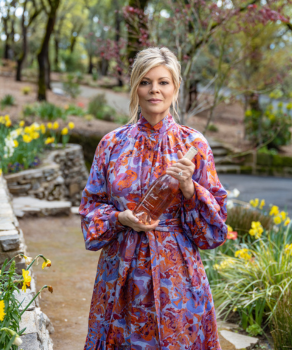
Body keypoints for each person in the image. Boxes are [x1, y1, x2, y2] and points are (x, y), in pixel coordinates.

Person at [79, 47, 227, 350]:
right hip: (120, 271)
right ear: (135, 86)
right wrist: (119, 218)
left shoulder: (193, 144)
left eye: (163, 82)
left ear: (175, 88)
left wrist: (189, 189)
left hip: (177, 274)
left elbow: (214, 226)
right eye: (145, 82)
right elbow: (90, 207)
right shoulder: (111, 144)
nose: (154, 90)